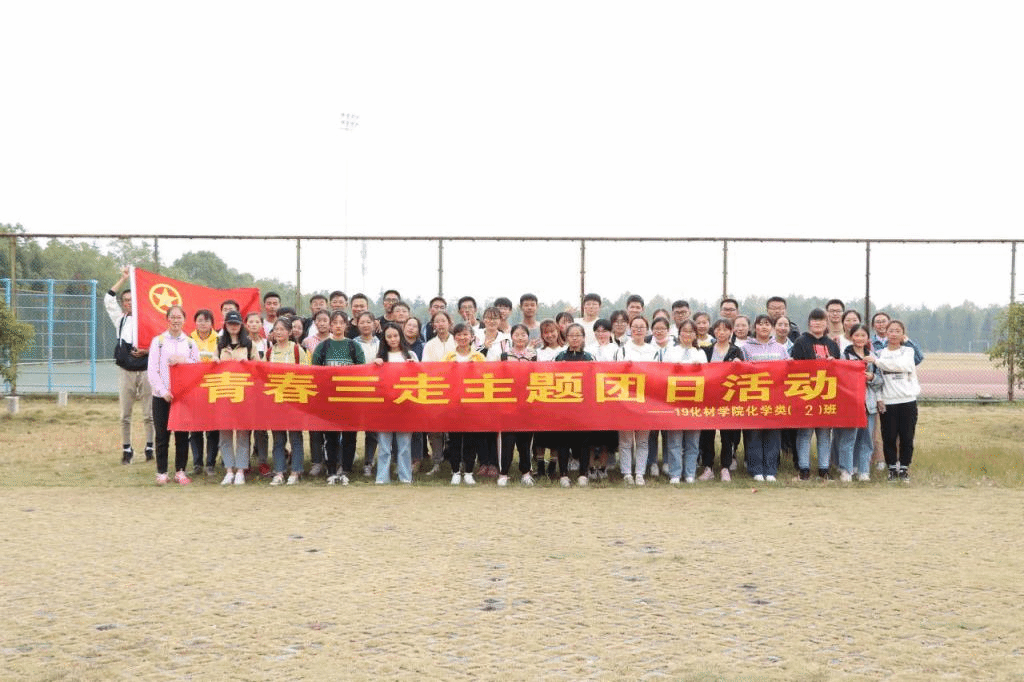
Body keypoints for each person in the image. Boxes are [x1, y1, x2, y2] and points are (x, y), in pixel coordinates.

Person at [104, 267, 153, 464]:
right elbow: (108, 299)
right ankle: (127, 449)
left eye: (132, 300)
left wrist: (146, 351)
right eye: (125, 300)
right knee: (125, 414)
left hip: (146, 370)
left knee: (149, 414)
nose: (128, 303)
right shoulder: (120, 320)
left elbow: (159, 343)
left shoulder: (148, 320)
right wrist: (123, 278)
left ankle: (150, 447)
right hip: (126, 371)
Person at [311, 311, 365, 485]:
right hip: (329, 401)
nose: (338, 326)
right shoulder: (322, 347)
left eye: (342, 322)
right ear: (330, 325)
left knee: (349, 437)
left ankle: (346, 470)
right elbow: (315, 373)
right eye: (335, 322)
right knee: (331, 437)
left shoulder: (354, 346)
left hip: (349, 400)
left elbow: (362, 371)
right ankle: (332, 471)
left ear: (346, 325)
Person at [147, 305, 199, 485]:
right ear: (167, 319)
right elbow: (152, 370)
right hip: (162, 397)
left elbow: (196, 366)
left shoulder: (190, 343)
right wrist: (163, 391)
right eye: (173, 317)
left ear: (184, 320)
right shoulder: (158, 341)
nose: (176, 320)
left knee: (182, 436)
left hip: (183, 397)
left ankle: (180, 471)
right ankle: (162, 472)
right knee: (162, 435)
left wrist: (184, 360)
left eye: (179, 317)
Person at [790, 308, 841, 481]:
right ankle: (804, 469)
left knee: (825, 434)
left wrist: (834, 363)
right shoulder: (800, 341)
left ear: (826, 323)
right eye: (814, 320)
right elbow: (795, 367)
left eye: (821, 320)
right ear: (809, 323)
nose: (817, 323)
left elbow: (839, 370)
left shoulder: (832, 344)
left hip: (826, 395)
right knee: (804, 433)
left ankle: (824, 470)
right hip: (806, 394)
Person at [741, 315, 790, 482]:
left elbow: (788, 370)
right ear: (754, 327)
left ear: (772, 328)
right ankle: (756, 470)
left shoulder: (780, 348)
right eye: (760, 324)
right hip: (753, 397)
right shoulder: (745, 348)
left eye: (767, 324)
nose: (763, 327)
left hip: (775, 398)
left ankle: (770, 470)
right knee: (754, 434)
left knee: (773, 435)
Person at [836, 324, 885, 482]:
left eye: (863, 335)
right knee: (848, 438)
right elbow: (839, 379)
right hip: (851, 404)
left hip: (868, 404)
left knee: (866, 439)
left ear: (868, 338)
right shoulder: (844, 356)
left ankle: (864, 470)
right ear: (851, 337)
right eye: (856, 335)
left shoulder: (873, 357)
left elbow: (880, 381)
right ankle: (846, 470)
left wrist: (871, 377)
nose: (859, 339)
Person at [874, 320, 922, 482]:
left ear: (903, 334)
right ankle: (892, 468)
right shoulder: (880, 353)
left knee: (907, 436)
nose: (894, 334)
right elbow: (878, 379)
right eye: (891, 331)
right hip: (888, 401)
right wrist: (879, 398)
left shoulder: (908, 351)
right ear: (886, 333)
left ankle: (904, 468)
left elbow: (902, 366)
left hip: (907, 400)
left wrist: (877, 362)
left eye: (897, 331)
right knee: (889, 437)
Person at [698, 318, 744, 482]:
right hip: (709, 398)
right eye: (718, 329)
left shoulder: (736, 351)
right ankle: (708, 467)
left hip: (728, 399)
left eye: (725, 329)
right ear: (714, 331)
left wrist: (739, 364)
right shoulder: (707, 350)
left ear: (731, 331)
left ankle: (725, 467)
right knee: (707, 434)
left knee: (727, 435)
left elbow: (743, 374)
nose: (721, 332)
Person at [662, 319, 706, 484]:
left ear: (696, 335)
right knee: (674, 441)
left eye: (691, 332)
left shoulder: (700, 353)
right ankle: (675, 473)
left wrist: (699, 367)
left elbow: (708, 376)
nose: (687, 335)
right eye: (684, 331)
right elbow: (662, 373)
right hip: (675, 402)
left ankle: (689, 473)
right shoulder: (671, 352)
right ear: (679, 334)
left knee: (693, 441)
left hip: (694, 403)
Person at [266, 318, 309, 485]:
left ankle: (296, 471)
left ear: (290, 332)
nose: (279, 332)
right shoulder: (270, 352)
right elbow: (263, 375)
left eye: (282, 329)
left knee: (295, 437)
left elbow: (306, 373)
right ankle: (279, 471)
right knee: (278, 439)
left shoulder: (297, 350)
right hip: (275, 401)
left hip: (294, 400)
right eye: (276, 329)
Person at [615, 316, 657, 485]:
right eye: (635, 327)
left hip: (646, 398)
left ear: (647, 330)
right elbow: (616, 373)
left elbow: (658, 374)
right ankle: (626, 473)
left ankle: (640, 473)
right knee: (625, 440)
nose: (638, 330)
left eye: (642, 327)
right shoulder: (622, 350)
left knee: (643, 440)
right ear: (630, 329)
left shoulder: (653, 350)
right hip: (626, 398)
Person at [216, 311, 256, 485]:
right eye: (230, 323)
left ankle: (240, 470)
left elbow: (258, 367)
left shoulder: (249, 344)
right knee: (224, 433)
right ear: (225, 325)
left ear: (241, 325)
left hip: (243, 395)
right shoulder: (219, 344)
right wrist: (215, 362)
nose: (233, 326)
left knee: (242, 434)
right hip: (224, 394)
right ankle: (228, 470)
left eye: (236, 324)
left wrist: (248, 365)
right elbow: (212, 364)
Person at [374, 324, 417, 484]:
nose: (393, 339)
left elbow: (419, 379)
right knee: (384, 445)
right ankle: (382, 477)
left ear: (401, 336)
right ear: (384, 339)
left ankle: (405, 477)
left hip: (405, 405)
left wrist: (413, 366)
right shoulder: (380, 357)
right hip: (384, 407)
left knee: (404, 445)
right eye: (389, 336)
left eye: (395, 336)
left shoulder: (410, 355)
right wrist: (375, 364)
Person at [443, 323, 485, 485]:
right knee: (454, 440)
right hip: (454, 404)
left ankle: (468, 472)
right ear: (454, 338)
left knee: (471, 440)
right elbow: (442, 376)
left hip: (472, 404)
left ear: (472, 337)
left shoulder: (479, 357)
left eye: (466, 334)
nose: (462, 337)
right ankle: (455, 472)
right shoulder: (448, 357)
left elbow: (485, 378)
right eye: (459, 335)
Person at [554, 324, 594, 487]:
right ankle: (563, 474)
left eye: (578, 335)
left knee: (584, 441)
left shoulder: (589, 357)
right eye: (571, 335)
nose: (575, 338)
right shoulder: (560, 356)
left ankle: (583, 473)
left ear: (583, 338)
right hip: (564, 404)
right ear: (566, 338)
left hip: (584, 405)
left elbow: (595, 379)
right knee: (563, 439)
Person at [498, 324, 537, 486]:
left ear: (528, 337)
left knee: (525, 441)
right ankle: (503, 473)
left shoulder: (533, 355)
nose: (520, 338)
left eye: (523, 334)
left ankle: (526, 472)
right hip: (508, 403)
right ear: (511, 337)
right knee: (507, 440)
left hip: (527, 403)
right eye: (517, 334)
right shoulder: (504, 356)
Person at [422, 310, 456, 476]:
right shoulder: (429, 345)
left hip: (455, 391)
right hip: (435, 390)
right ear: (433, 325)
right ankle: (436, 462)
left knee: (454, 429)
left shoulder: (457, 341)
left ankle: (456, 463)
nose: (440, 324)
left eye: (443, 320)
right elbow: (426, 367)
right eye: (437, 321)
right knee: (435, 430)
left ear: (449, 323)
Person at [585, 318, 619, 480]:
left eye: (604, 331)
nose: (601, 334)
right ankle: (591, 467)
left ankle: (604, 467)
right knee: (592, 436)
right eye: (598, 331)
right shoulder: (588, 348)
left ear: (610, 332)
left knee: (606, 436)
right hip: (592, 397)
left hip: (610, 397)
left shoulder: (617, 349)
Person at [190, 309, 220, 476]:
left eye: (207, 320)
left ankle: (210, 463)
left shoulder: (219, 339)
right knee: (195, 428)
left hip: (213, 388)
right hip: (194, 389)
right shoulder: (188, 339)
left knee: (212, 428)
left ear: (212, 323)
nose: (203, 323)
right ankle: (197, 463)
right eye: (200, 320)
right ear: (195, 323)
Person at [353, 311, 380, 477]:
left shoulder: (381, 343)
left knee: (372, 430)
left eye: (368, 322)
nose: (365, 325)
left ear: (374, 323)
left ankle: (369, 462)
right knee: (351, 429)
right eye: (361, 322)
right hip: (356, 391)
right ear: (357, 324)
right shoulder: (352, 343)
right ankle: (348, 459)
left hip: (376, 392)